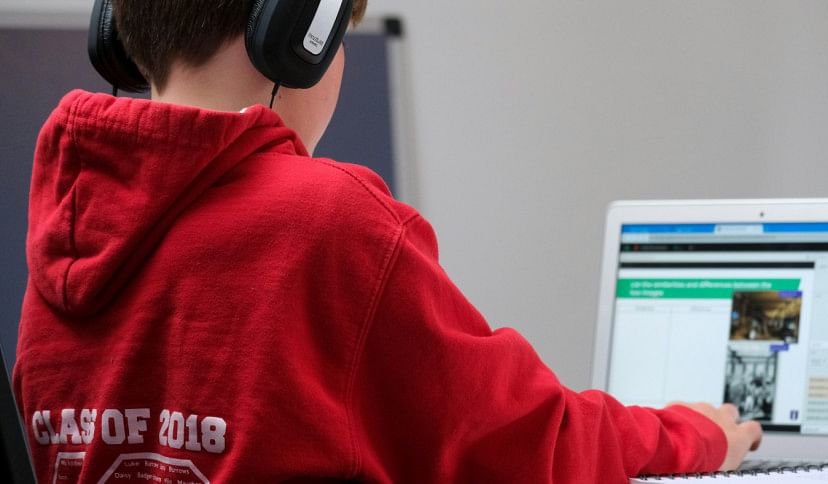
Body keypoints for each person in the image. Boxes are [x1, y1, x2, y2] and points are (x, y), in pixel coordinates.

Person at [13, 1, 762, 482]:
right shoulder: (327, 221)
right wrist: (693, 436)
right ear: (297, 36)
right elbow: (531, 440)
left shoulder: (69, 228)